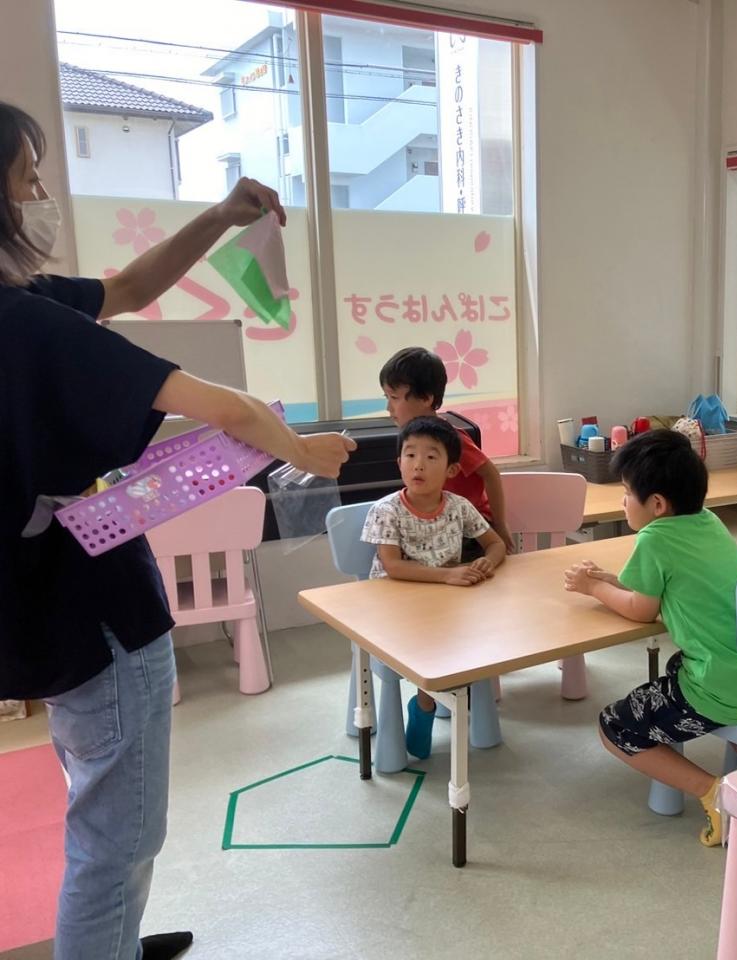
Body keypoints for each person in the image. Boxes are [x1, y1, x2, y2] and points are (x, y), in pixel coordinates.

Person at [0, 101, 354, 960]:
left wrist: (222, 217)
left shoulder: (30, 305)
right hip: (92, 616)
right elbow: (224, 405)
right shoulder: (30, 326)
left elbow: (126, 290)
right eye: (28, 178)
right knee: (117, 836)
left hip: (29, 611)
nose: (41, 196)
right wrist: (304, 449)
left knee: (97, 795)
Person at [563, 430, 737, 846]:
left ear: (657, 505)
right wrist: (611, 581)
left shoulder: (655, 538)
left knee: (614, 726)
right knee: (674, 665)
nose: (623, 501)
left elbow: (641, 609)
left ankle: (714, 793)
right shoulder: (708, 521)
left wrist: (593, 588)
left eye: (627, 493)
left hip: (721, 691)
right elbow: (660, 586)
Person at [360, 416, 506, 758]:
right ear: (399, 462)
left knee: (479, 636)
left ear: (452, 470)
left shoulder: (458, 506)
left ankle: (430, 701)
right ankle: (426, 706)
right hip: (395, 610)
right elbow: (393, 566)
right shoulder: (386, 510)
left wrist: (487, 561)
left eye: (430, 456)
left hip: (444, 604)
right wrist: (448, 576)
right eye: (410, 455)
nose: (418, 465)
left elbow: (496, 544)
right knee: (439, 646)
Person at [379, 347, 516, 554]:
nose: (388, 408)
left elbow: (490, 473)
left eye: (394, 397)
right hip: (439, 522)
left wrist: (500, 524)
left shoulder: (452, 438)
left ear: (426, 398)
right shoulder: (411, 438)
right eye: (387, 397)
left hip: (469, 527)